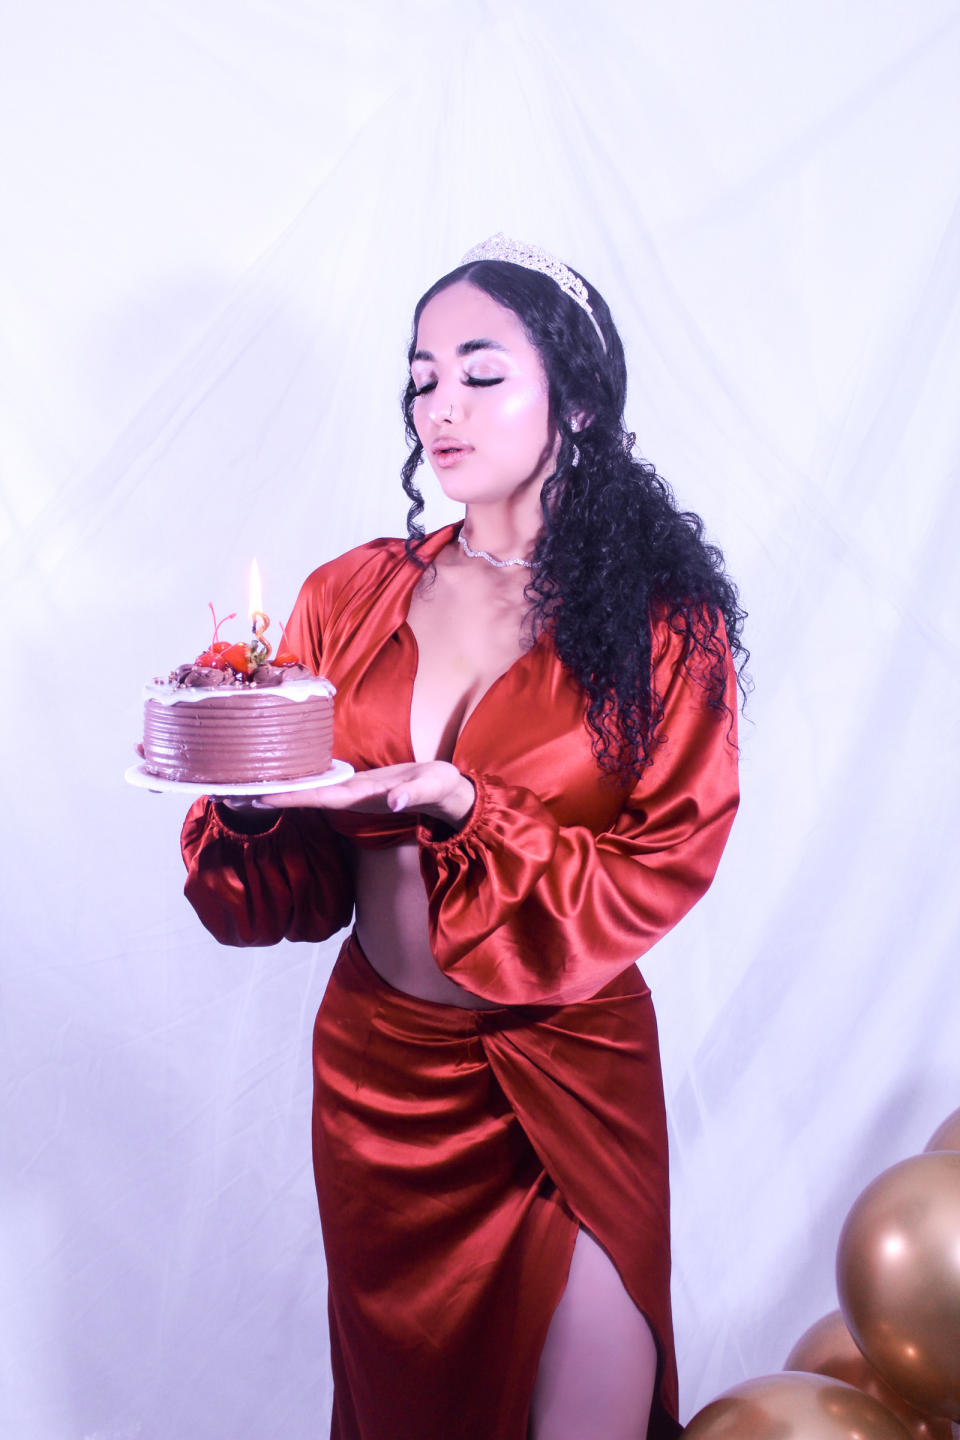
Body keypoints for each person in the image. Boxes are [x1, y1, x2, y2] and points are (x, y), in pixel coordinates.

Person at [180, 234, 746, 1440]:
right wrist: (248, 799)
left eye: (482, 374)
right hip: (381, 1082)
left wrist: (466, 807)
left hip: (566, 1073)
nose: (441, 406)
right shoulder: (352, 594)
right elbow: (287, 887)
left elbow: (662, 864)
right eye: (423, 378)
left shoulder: (663, 627)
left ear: (576, 402)